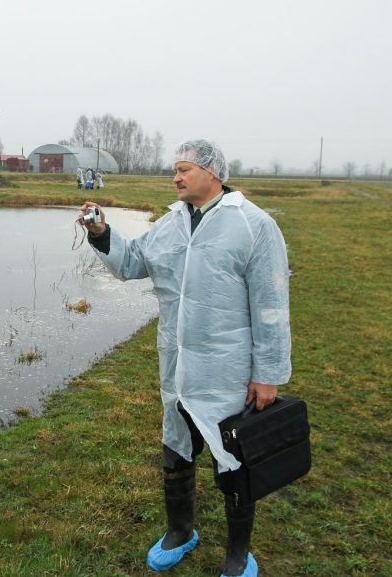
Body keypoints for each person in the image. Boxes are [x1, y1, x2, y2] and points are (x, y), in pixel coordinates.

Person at [77, 139, 291, 577]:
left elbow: (271, 305)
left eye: (183, 169)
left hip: (227, 369)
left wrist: (267, 375)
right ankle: (180, 532)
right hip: (176, 365)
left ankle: (237, 555)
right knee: (176, 448)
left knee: (234, 459)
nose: (175, 177)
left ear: (212, 173)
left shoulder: (253, 225)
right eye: (174, 170)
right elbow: (133, 261)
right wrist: (100, 232)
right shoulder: (171, 224)